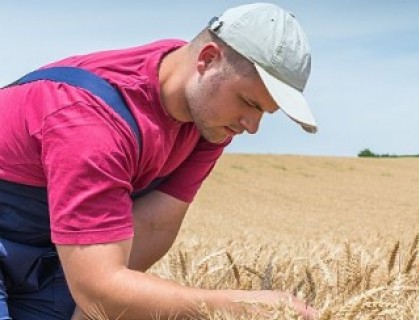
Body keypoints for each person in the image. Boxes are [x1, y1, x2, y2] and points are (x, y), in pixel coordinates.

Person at [0, 3, 317, 319]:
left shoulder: (207, 118)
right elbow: (99, 287)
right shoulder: (91, 121)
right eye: (248, 102)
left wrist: (93, 309)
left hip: (48, 258)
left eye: (263, 111)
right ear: (207, 59)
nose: (252, 125)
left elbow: (154, 224)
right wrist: (247, 306)